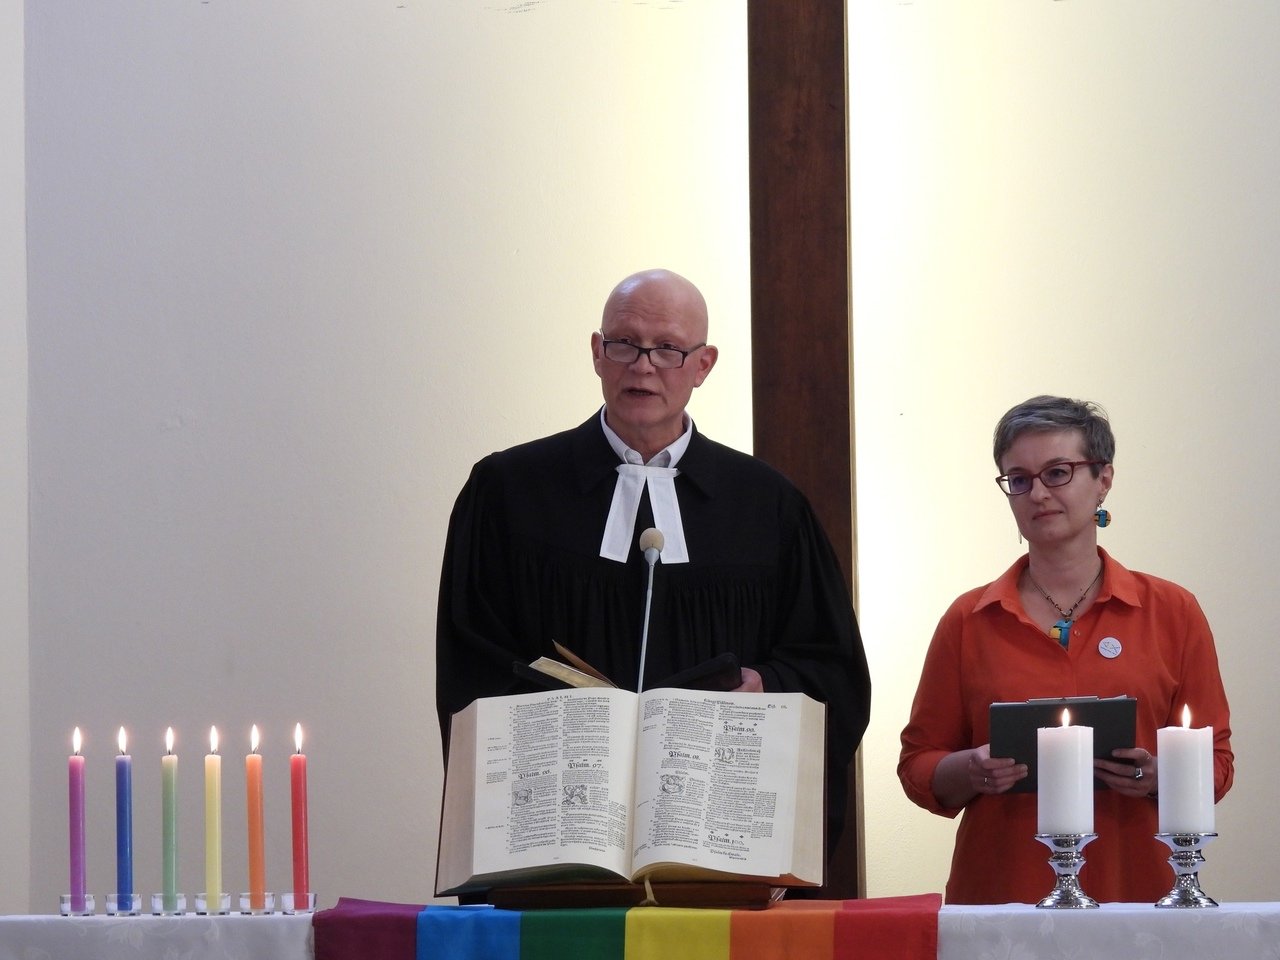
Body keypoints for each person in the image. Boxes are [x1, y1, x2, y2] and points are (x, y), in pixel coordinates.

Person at [436, 268, 871, 860]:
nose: (643, 367)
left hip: (717, 830)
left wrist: (765, 686)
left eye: (667, 348)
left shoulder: (767, 506)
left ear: (703, 364)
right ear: (597, 352)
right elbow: (471, 666)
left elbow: (831, 669)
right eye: (625, 344)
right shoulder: (508, 492)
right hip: (555, 828)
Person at [899, 395, 1233, 904]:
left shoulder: (1172, 611)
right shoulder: (968, 619)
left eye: (1057, 473)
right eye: (1019, 479)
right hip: (1004, 898)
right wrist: (970, 769)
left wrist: (1158, 776)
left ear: (1103, 479)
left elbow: (1217, 764)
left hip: (1137, 896)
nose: (1038, 494)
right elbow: (918, 766)